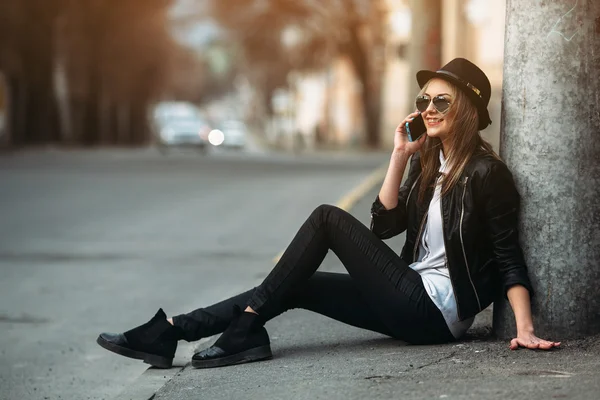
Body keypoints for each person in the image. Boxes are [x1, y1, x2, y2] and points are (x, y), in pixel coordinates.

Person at [97, 58, 560, 370]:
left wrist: (525, 330)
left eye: (442, 101)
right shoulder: (428, 162)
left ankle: (243, 326)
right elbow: (383, 225)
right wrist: (400, 154)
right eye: (423, 101)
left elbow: (508, 257)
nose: (429, 109)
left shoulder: (485, 173)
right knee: (300, 285)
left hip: (434, 312)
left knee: (327, 218)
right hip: (409, 292)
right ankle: (175, 331)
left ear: (467, 110)